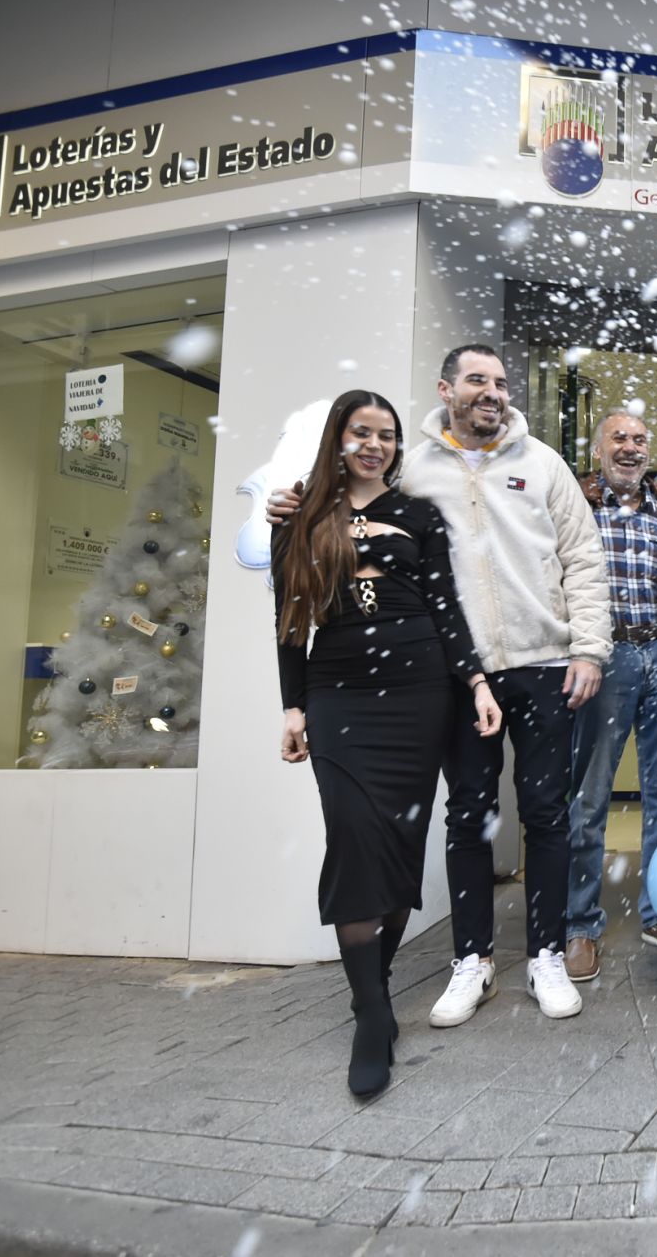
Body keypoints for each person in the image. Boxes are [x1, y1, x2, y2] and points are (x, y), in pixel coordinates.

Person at [270, 345, 611, 1023]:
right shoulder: (413, 468)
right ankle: (472, 960)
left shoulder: (542, 464)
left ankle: (544, 953)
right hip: (458, 675)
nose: (493, 391)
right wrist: (295, 504)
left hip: (544, 665)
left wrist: (590, 650)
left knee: (546, 813)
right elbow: (353, 500)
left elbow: (583, 558)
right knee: (468, 817)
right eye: (478, 380)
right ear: (446, 388)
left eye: (502, 382)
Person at [272, 390, 500, 1096]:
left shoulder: (417, 514)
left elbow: (445, 605)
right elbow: (289, 620)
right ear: (337, 438)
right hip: (338, 693)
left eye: (387, 435)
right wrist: (292, 707)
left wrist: (477, 683)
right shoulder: (299, 514)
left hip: (419, 692)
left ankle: (376, 985)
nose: (375, 444)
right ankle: (372, 1013)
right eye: (361, 432)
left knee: (400, 847)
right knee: (352, 833)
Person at [564, 407, 657, 980]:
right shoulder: (575, 503)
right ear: (599, 449)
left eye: (640, 439)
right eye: (619, 438)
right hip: (603, 657)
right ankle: (579, 925)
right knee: (588, 798)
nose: (630, 447)